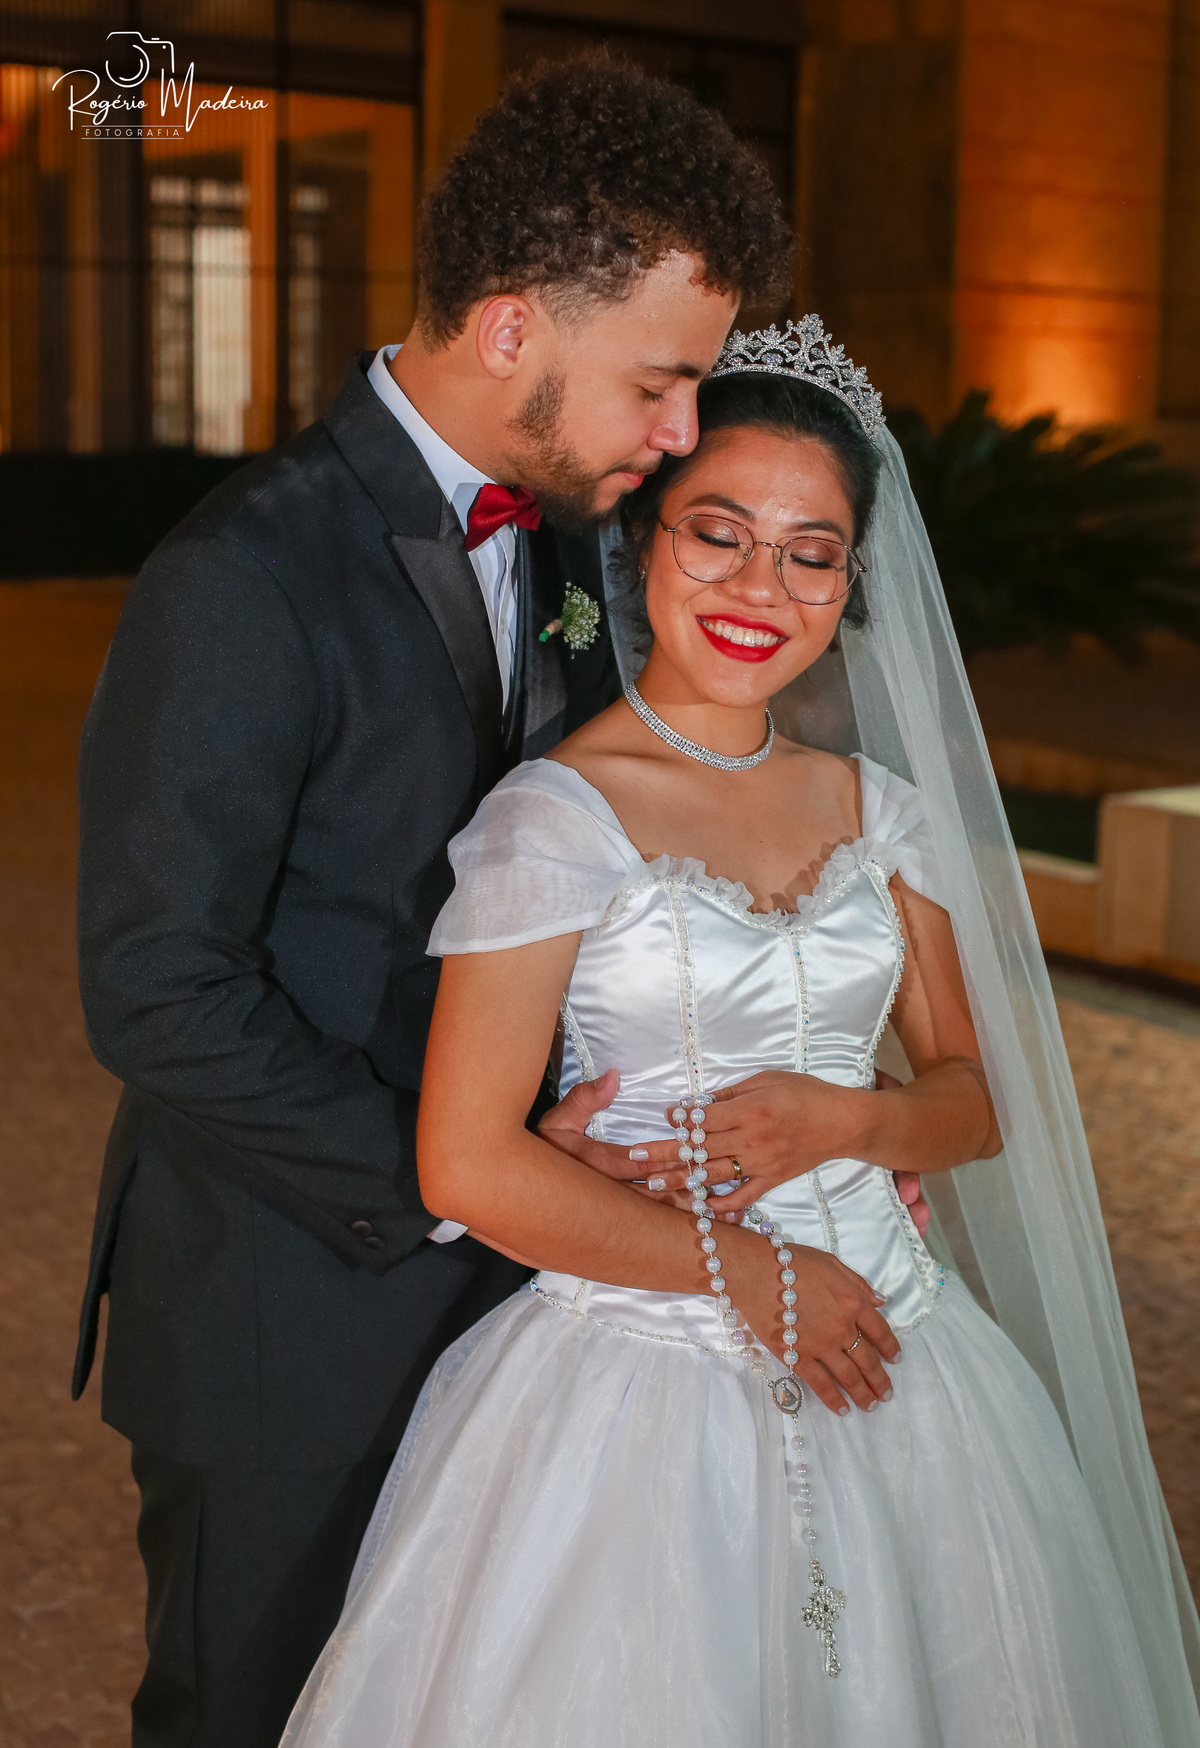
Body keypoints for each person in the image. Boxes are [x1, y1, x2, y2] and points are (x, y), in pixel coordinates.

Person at [280, 323, 1200, 1747]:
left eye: (811, 554)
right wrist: (755, 1274)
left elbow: (976, 1098)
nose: (762, 589)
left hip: (900, 1353)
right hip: (641, 1377)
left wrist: (852, 1120)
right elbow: (467, 1165)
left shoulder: (877, 810)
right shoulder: (552, 819)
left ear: (851, 583)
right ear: (641, 540)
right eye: (719, 534)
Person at [72, 59, 814, 1748]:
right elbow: (158, 988)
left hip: (528, 1313)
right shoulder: (239, 577)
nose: (680, 433)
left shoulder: (576, 538)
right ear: (507, 329)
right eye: (659, 383)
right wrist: (462, 1173)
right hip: (282, 1316)